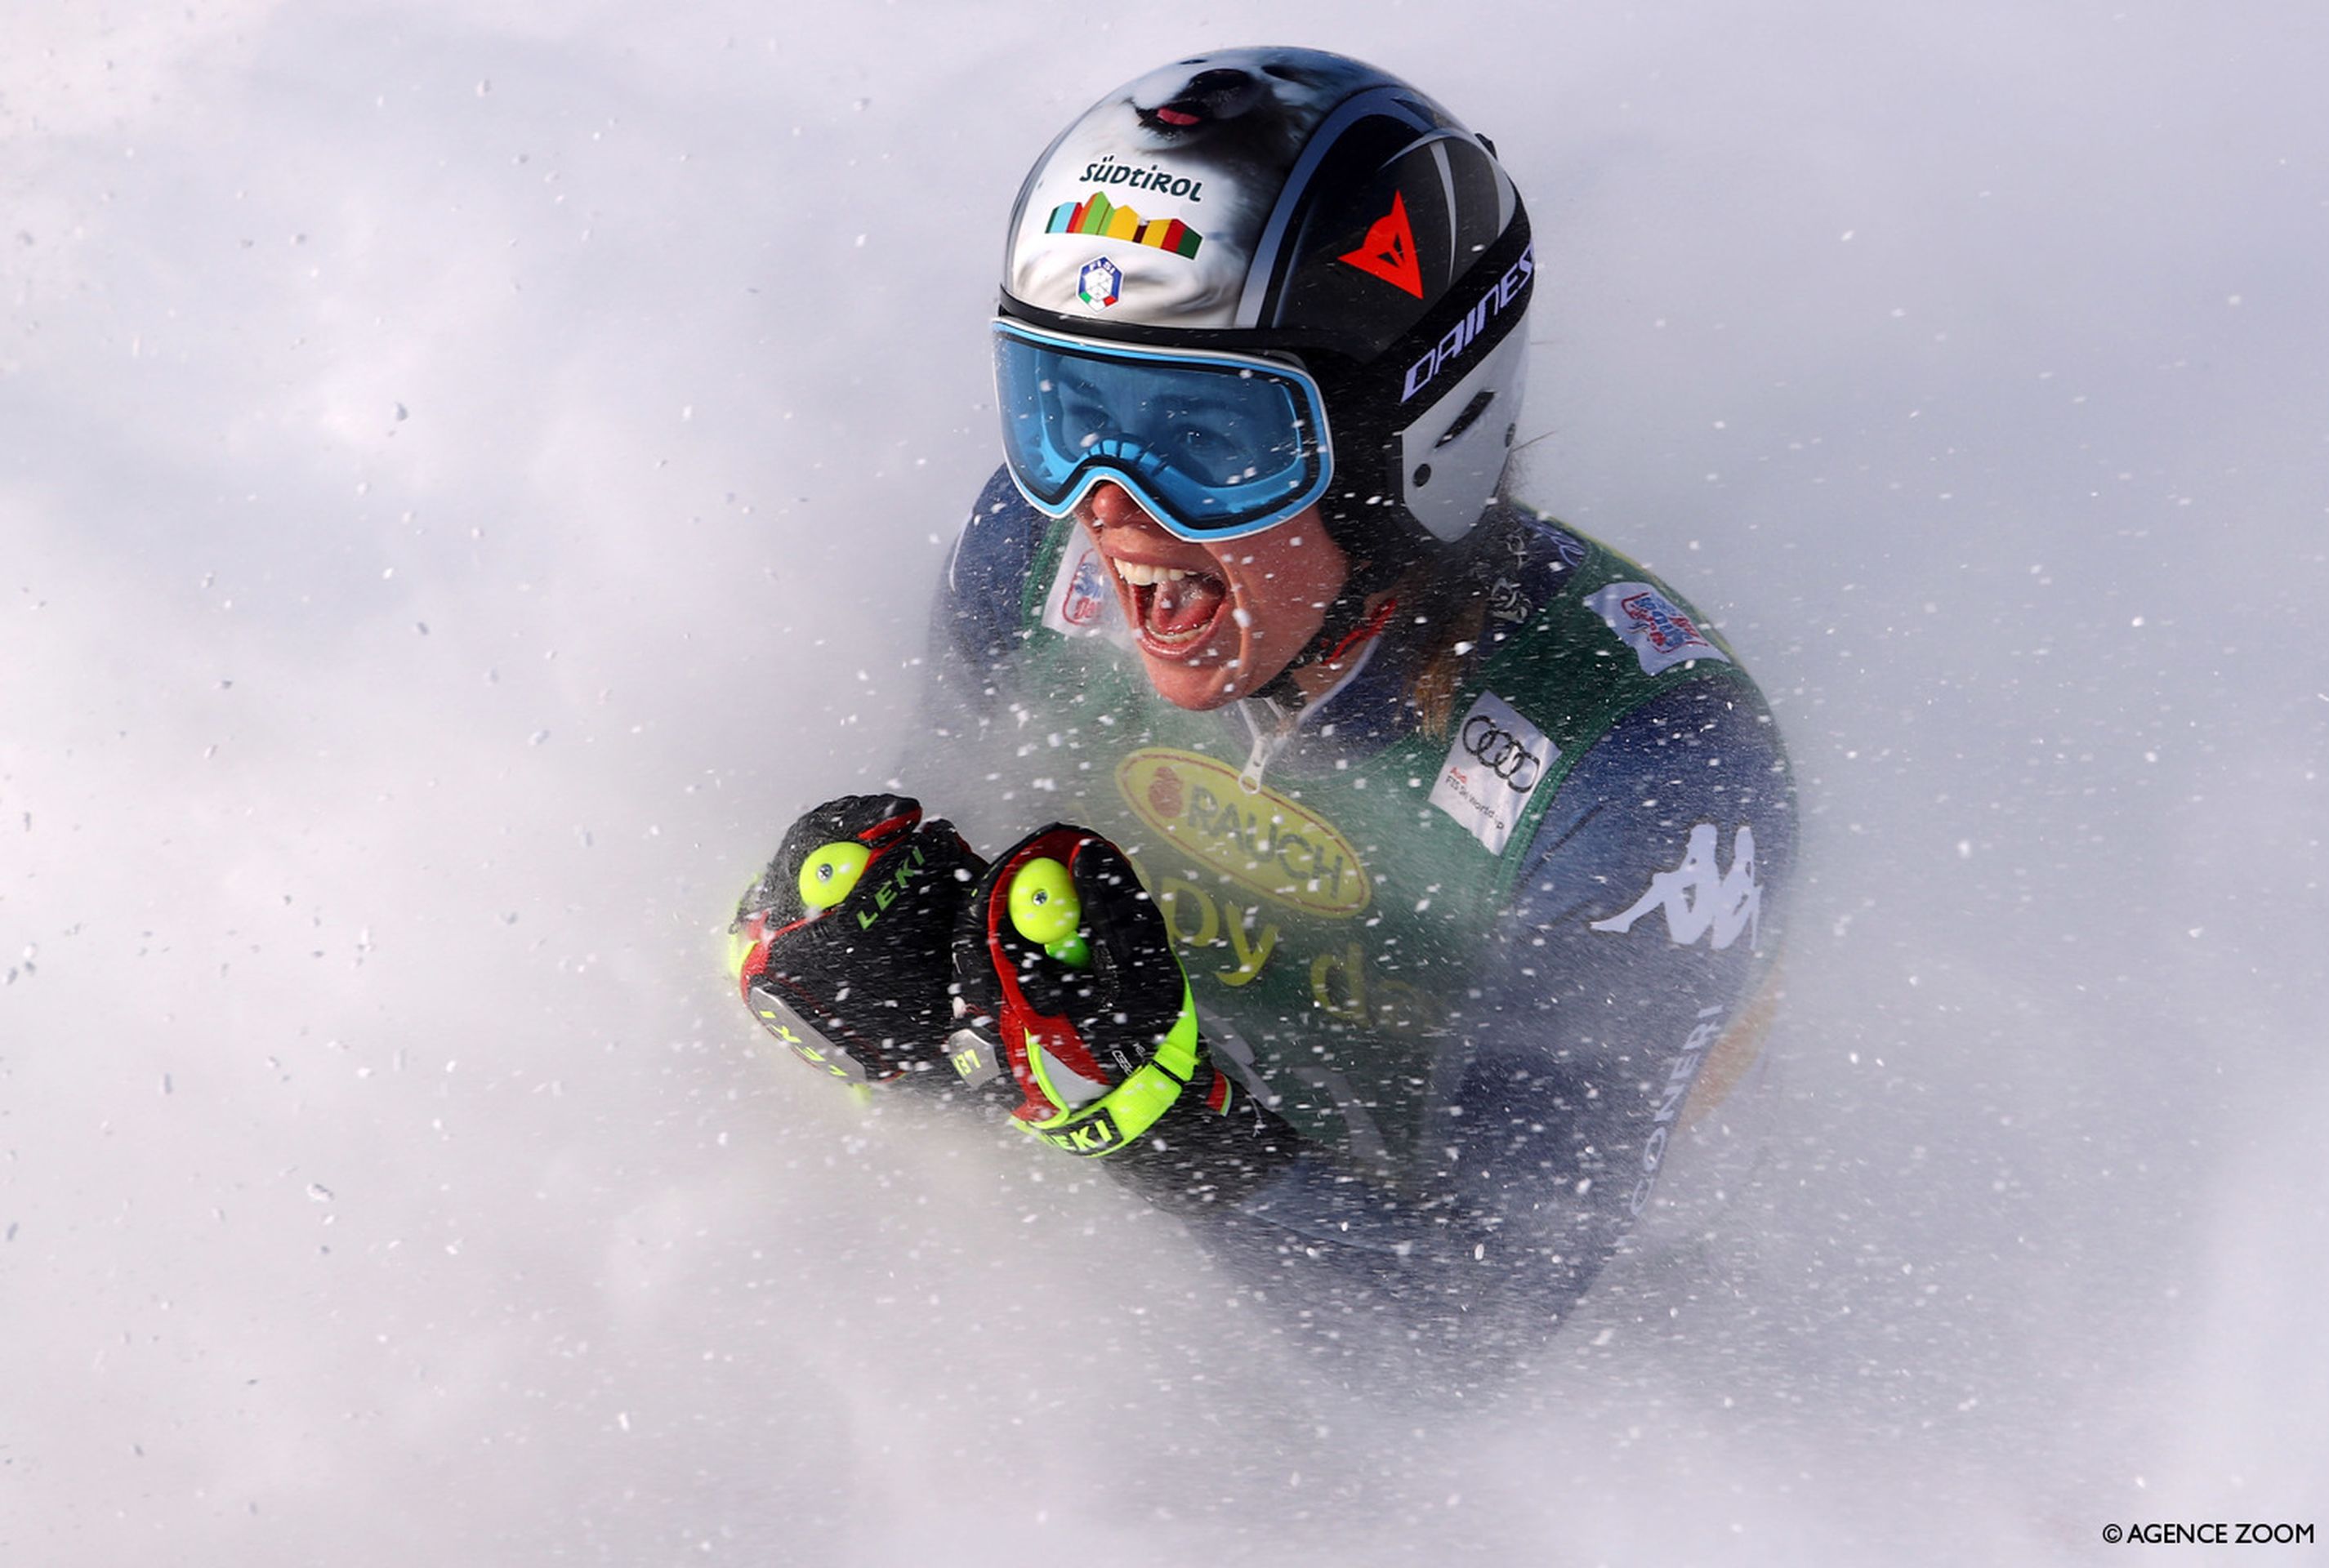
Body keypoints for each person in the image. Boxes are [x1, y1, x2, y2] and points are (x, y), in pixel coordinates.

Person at [729, 47, 1796, 1375]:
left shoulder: (1643, 771)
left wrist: (1168, 1125)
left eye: (1201, 437)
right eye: (1067, 410)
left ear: (1412, 445)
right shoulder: (1034, 548)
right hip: (1158, 1277)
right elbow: (993, 958)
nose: (1107, 508)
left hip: (1571, 1358)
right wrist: (877, 979)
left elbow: (1480, 1344)